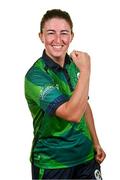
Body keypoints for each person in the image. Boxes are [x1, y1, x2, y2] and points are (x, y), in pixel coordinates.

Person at [25, 9, 106, 179]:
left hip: (86, 158)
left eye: (64, 33)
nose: (58, 40)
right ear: (41, 36)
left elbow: (83, 105)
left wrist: (96, 142)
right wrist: (86, 71)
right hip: (53, 163)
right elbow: (73, 113)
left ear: (71, 36)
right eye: (50, 33)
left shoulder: (73, 64)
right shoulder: (35, 76)